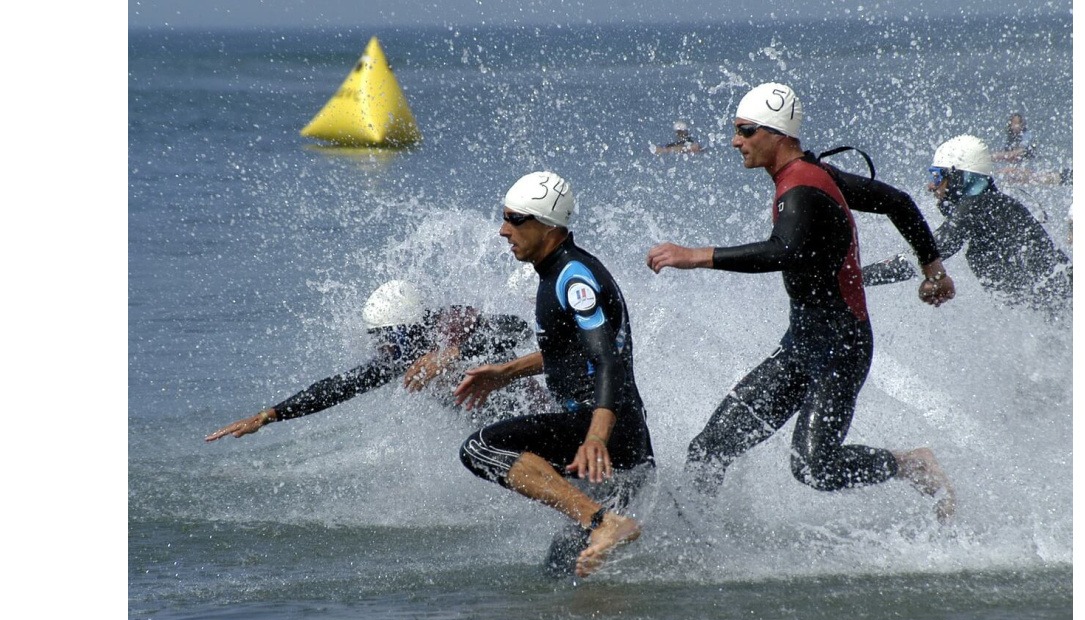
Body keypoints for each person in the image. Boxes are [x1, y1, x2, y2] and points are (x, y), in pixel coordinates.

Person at [645, 82, 957, 522]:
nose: (736, 141)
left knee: (814, 466)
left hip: (840, 349)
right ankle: (696, 544)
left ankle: (910, 464)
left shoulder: (803, 188)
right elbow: (898, 202)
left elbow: (784, 250)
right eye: (736, 130)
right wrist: (933, 271)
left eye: (746, 131)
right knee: (709, 448)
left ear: (778, 134)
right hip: (802, 345)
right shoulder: (813, 175)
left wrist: (697, 256)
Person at [453, 171, 655, 578]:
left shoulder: (573, 277)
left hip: (604, 434)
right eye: (504, 217)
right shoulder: (557, 271)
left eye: (514, 219)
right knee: (563, 573)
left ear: (547, 226)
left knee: (480, 449)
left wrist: (596, 437)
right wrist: (507, 372)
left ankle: (602, 522)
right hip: (620, 441)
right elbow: (570, 350)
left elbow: (607, 360)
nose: (502, 230)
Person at [206, 279, 545, 442]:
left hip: (534, 413)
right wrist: (269, 415)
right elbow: (340, 387)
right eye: (379, 338)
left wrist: (450, 354)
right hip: (497, 429)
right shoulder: (402, 356)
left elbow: (513, 327)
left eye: (392, 337)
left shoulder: (450, 325)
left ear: (413, 327)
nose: (386, 347)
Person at [862, 135, 1073, 318]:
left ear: (958, 177)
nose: (930, 186)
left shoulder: (978, 205)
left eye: (936, 176)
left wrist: (853, 276)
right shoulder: (993, 205)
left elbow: (926, 253)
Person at [992, 112, 1072, 186]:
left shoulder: (1027, 135)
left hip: (1032, 160)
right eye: (1013, 123)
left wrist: (995, 157)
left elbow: (1018, 152)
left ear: (1022, 124)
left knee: (1036, 177)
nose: (1015, 126)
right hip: (1023, 163)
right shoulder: (1010, 137)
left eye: (1018, 123)